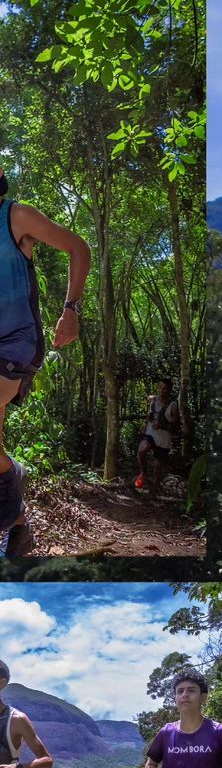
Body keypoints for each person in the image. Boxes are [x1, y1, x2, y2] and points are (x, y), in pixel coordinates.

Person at [0, 166, 90, 555]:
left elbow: (79, 247)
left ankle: (10, 507)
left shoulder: (15, 215)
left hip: (16, 342)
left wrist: (71, 310)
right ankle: (19, 522)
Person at [135, 378, 180, 492]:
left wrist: (161, 426)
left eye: (165, 389)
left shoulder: (173, 406)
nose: (161, 391)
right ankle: (144, 472)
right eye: (160, 387)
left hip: (163, 440)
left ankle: (155, 489)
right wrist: (145, 424)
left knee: (157, 467)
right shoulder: (153, 400)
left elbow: (175, 427)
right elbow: (149, 414)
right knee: (142, 450)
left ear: (169, 390)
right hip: (150, 434)